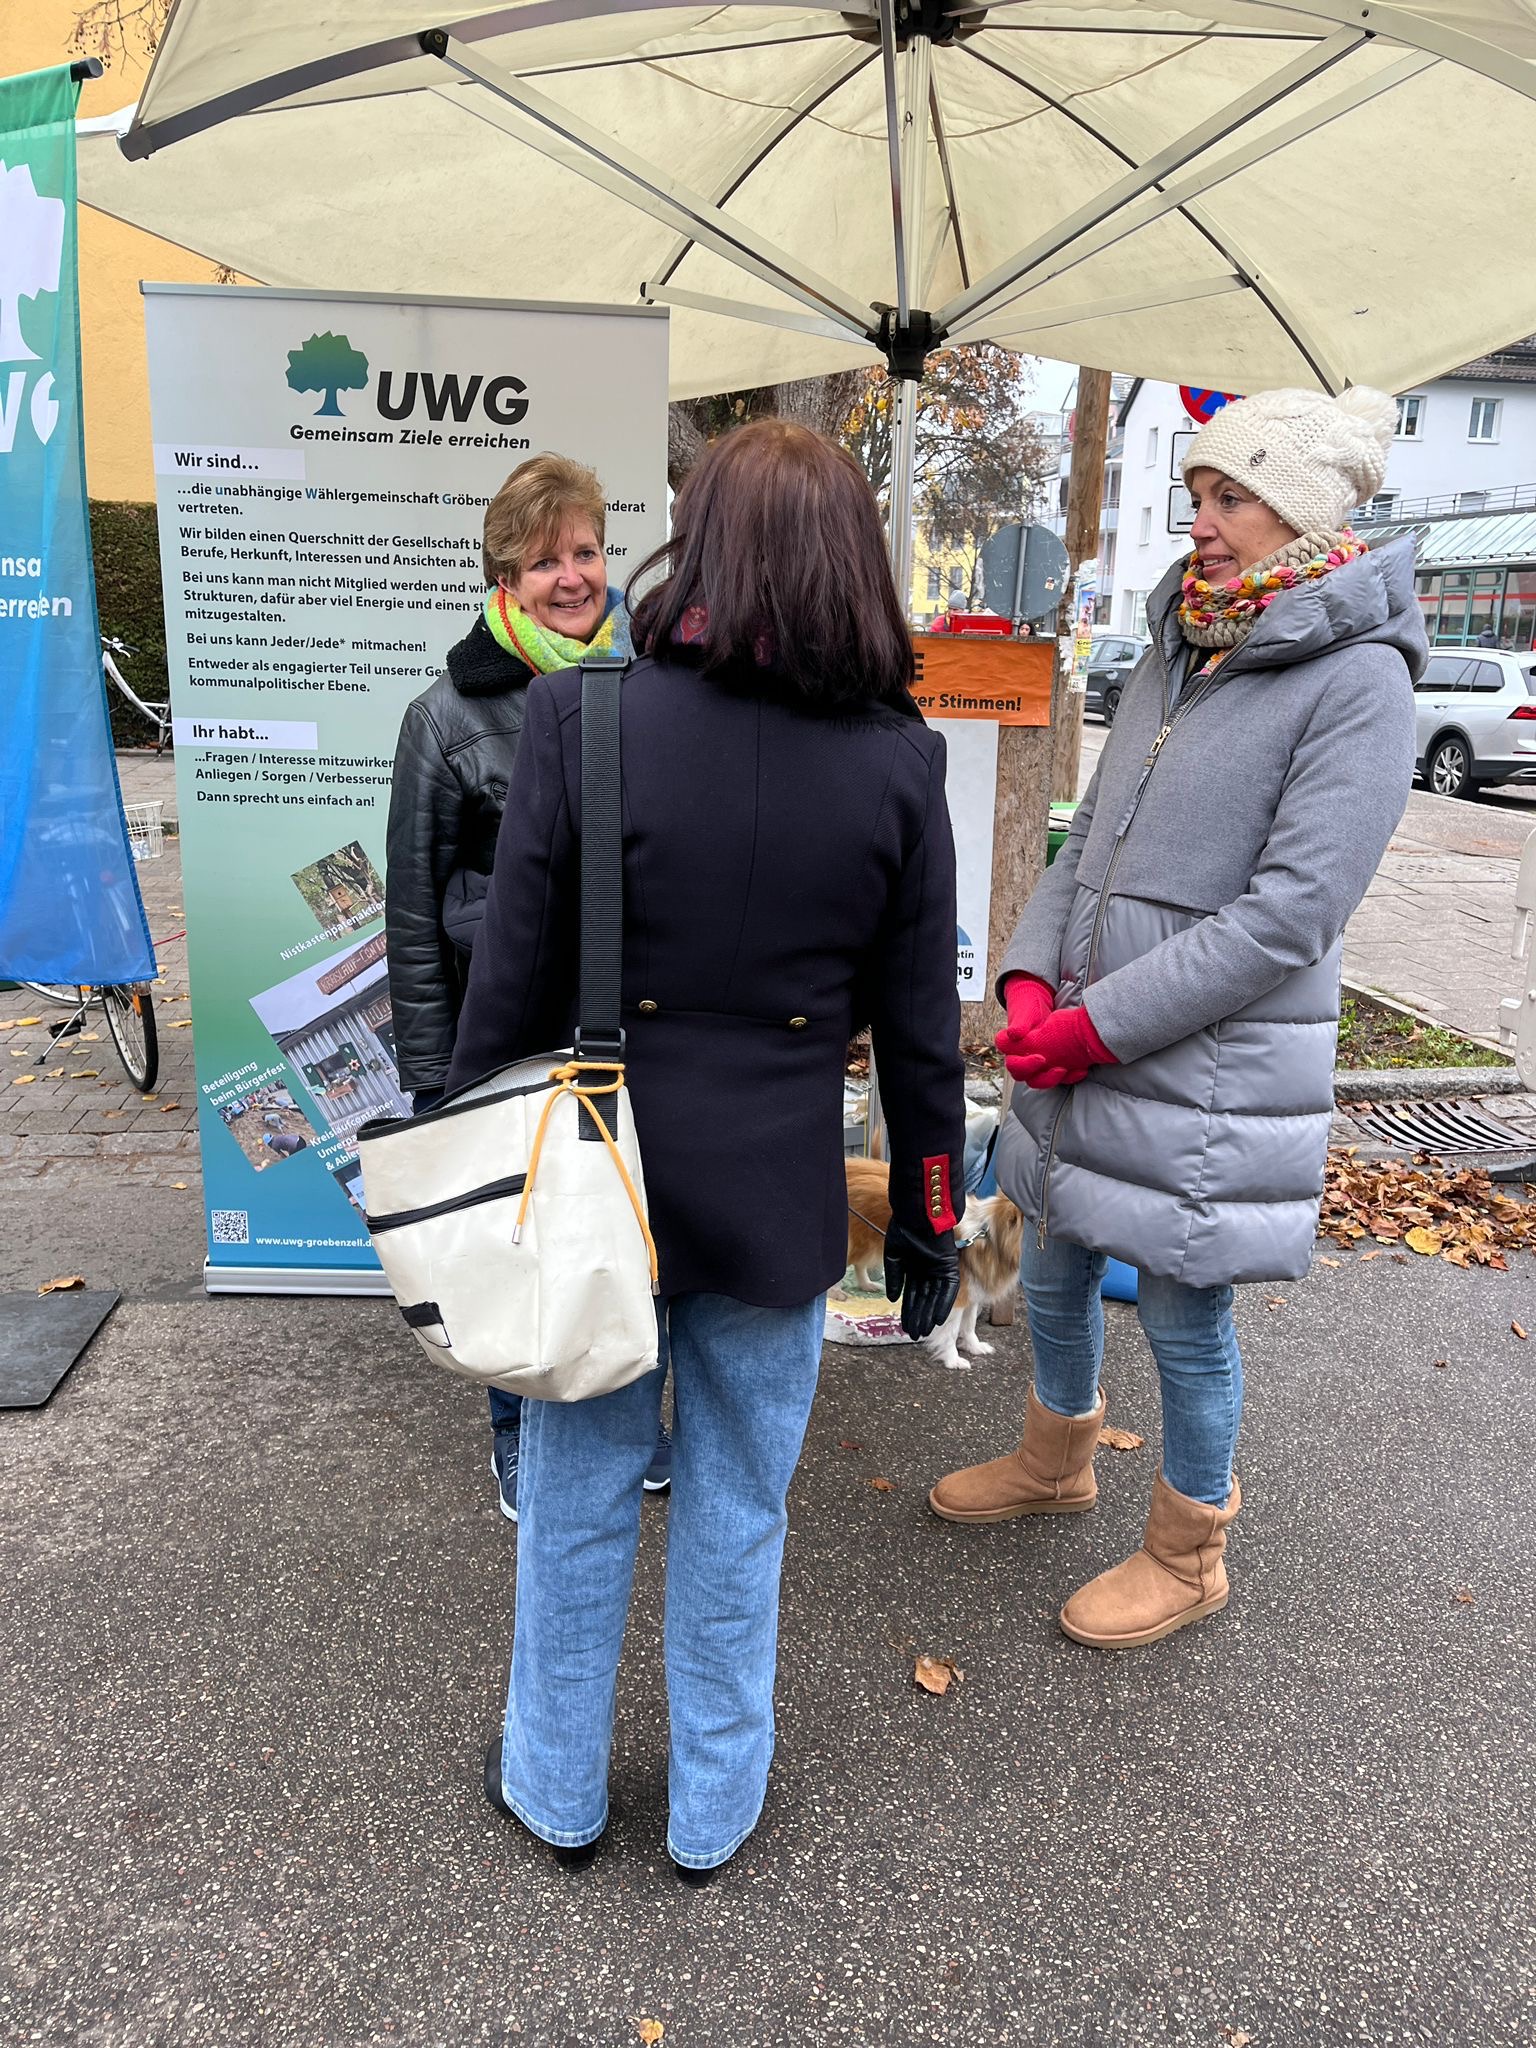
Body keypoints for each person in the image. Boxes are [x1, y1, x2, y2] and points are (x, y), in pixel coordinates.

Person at [447, 420, 965, 1877]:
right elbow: (927, 1044)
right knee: (740, 1513)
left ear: (703, 542)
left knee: (575, 1496)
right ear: (851, 563)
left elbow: (510, 986)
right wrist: (933, 1224)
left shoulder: (587, 720)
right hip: (778, 1207)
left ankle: (555, 1785)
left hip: (599, 1197)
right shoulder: (902, 764)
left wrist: (481, 1171)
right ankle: (714, 1807)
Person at [930, 386, 1424, 1649]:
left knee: (1188, 1311)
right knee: (1048, 1257)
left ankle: (1188, 1548)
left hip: (1203, 1065)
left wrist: (1096, 1026)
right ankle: (1056, 1456)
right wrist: (1033, 980)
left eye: (1230, 498)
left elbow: (1290, 916)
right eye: (1196, 496)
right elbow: (1087, 833)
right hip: (1087, 1039)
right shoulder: (1180, 644)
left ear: (1304, 512)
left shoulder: (1361, 681)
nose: (1199, 522)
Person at [385, 452, 669, 1521]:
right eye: (544, 559)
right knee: (520, 1243)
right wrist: (431, 1077)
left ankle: (636, 1410)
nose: (571, 576)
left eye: (586, 550)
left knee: (631, 1228)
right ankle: (517, 1435)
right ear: (503, 576)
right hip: (506, 1028)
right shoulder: (449, 714)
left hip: (637, 1019)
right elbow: (412, 905)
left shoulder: (660, 683)